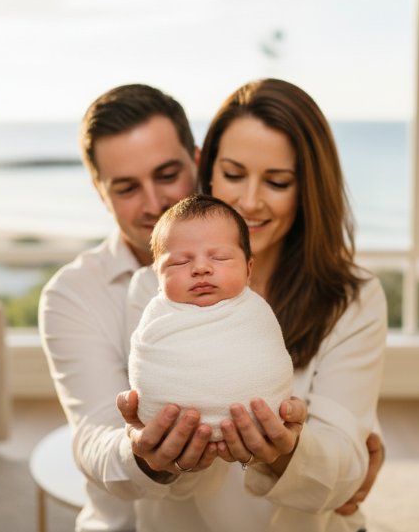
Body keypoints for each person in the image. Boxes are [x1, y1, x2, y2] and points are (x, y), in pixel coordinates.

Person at [40, 83, 382, 532]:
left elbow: (346, 460)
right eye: (126, 187)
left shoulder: (349, 298)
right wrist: (147, 456)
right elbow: (95, 442)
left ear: (197, 164)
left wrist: (303, 456)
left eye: (277, 181)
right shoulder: (140, 296)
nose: (155, 203)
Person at [127, 194, 293, 442]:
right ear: (158, 276)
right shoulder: (157, 313)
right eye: (180, 262)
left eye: (220, 257)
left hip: (259, 423)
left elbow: (270, 360)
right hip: (167, 429)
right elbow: (144, 362)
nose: (201, 268)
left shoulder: (255, 312)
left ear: (248, 269)